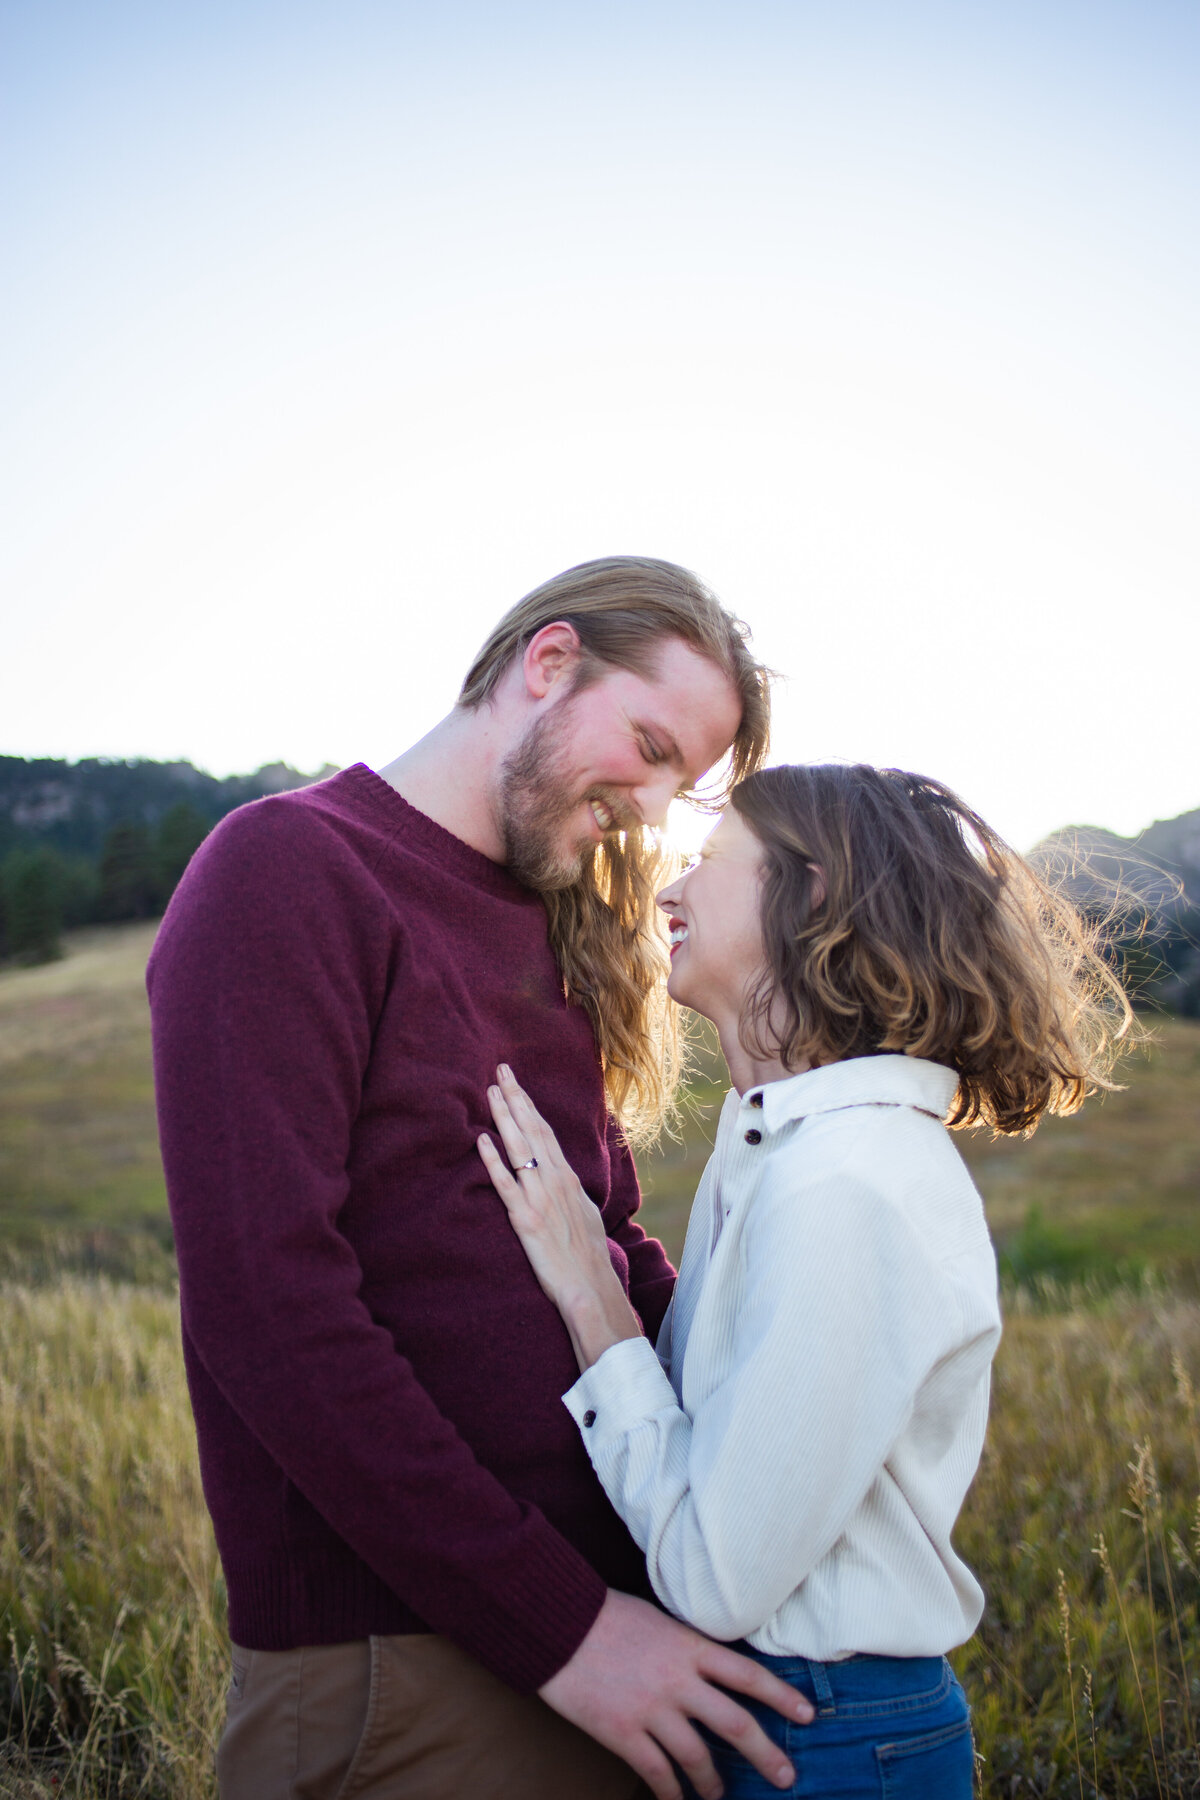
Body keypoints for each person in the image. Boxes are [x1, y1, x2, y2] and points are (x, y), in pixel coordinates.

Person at [147, 555, 817, 1800]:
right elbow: (267, 1306)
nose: (653, 809)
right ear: (547, 663)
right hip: (414, 1657)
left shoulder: (554, 924)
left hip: (622, 1626)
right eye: (651, 744)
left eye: (685, 786)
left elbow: (614, 1249)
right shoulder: (288, 871)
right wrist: (560, 1628)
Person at [478, 762, 1134, 1798]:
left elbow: (716, 1574)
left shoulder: (848, 1183)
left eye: (708, 859)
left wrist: (595, 1305)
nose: (669, 890)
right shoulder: (785, 1150)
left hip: (828, 1738)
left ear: (811, 891)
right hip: (795, 1720)